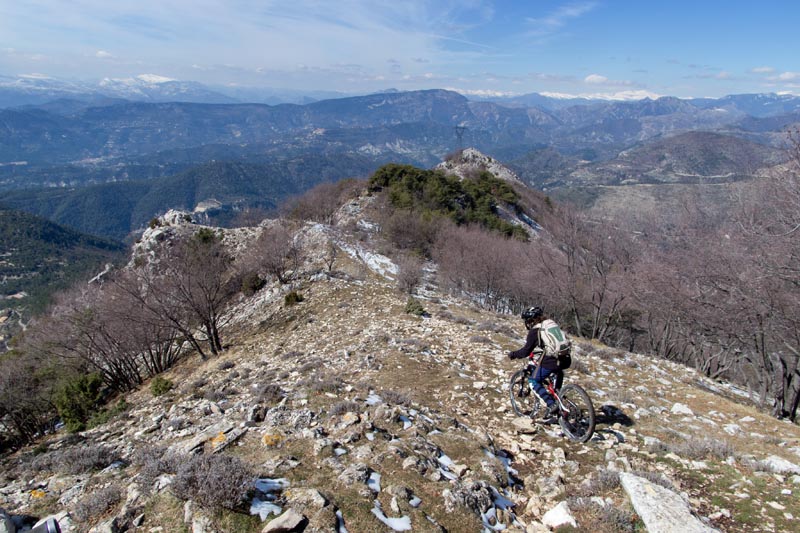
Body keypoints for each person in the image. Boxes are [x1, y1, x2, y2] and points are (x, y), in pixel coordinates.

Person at [508, 306, 563, 418]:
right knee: (554, 374)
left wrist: (513, 354)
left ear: (530, 320)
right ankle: (559, 396)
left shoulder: (535, 331)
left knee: (533, 381)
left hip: (551, 360)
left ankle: (552, 405)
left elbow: (525, 351)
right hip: (565, 358)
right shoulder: (549, 324)